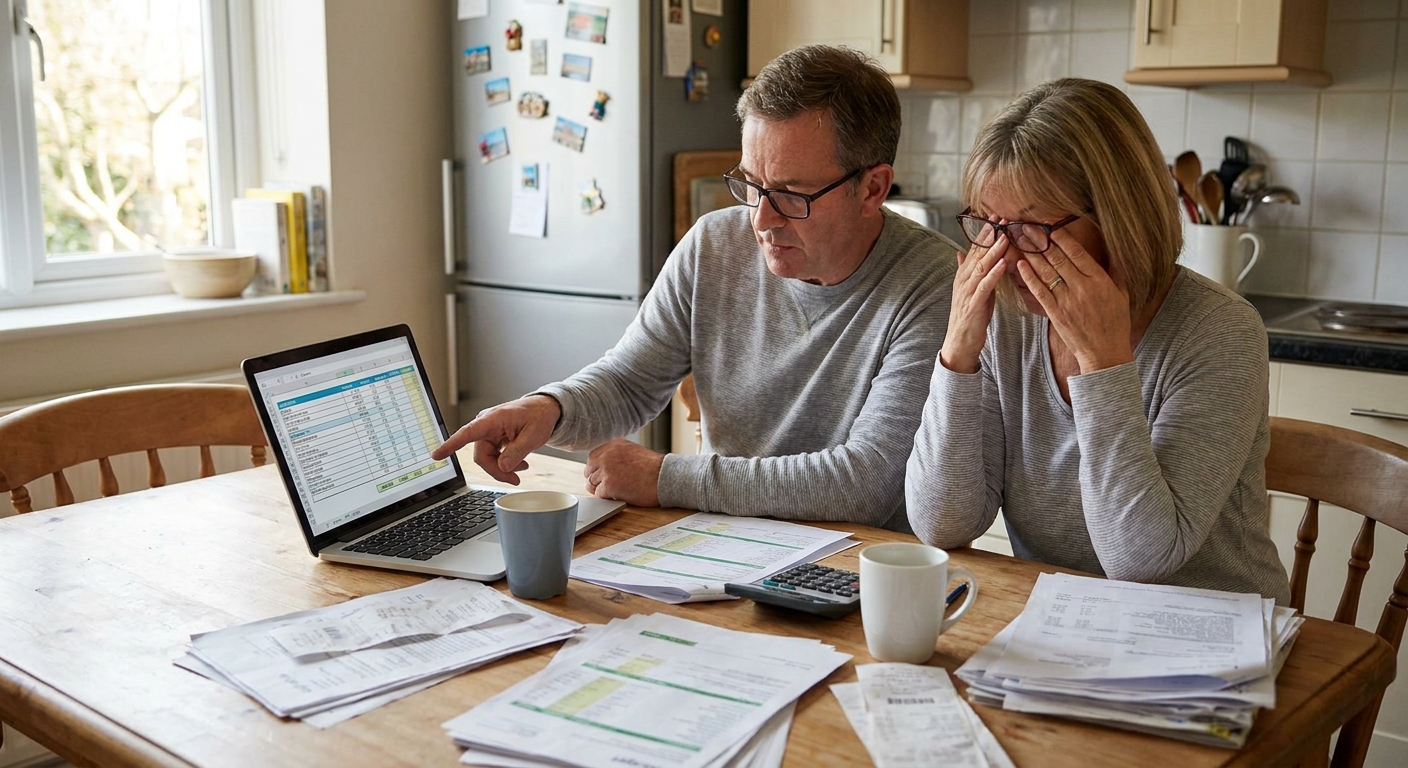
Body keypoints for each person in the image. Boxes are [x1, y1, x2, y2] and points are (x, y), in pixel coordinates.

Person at [433, 45, 960, 531]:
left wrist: (665, 477)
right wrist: (549, 409)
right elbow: (630, 382)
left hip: (858, 571)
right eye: (752, 185)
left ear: (872, 188)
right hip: (718, 542)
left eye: (793, 194)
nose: (761, 220)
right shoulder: (714, 244)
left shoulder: (932, 284)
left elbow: (865, 483)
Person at [905, 78, 1290, 603]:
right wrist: (957, 355)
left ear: (1117, 219)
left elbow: (1140, 558)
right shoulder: (1011, 320)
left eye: (1031, 229)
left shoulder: (1221, 331)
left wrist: (1103, 363)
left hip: (1211, 633)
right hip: (1065, 623)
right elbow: (942, 524)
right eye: (988, 225)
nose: (1005, 259)